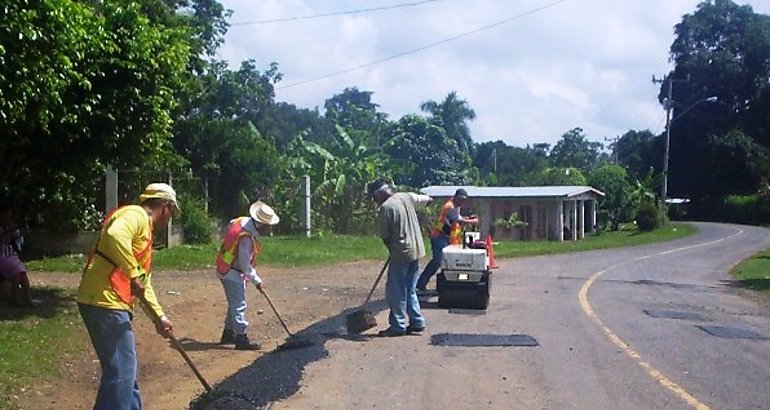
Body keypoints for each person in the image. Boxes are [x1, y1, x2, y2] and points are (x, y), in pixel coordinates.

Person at [77, 183, 180, 410]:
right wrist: (133, 273)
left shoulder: (145, 232)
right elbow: (115, 234)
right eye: (172, 212)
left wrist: (159, 317)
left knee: (126, 373)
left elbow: (144, 284)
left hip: (109, 301)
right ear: (165, 207)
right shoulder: (136, 215)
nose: (169, 219)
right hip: (104, 301)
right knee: (121, 373)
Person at [368, 178, 432, 337]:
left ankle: (398, 326)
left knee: (396, 291)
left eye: (373, 197)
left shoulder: (386, 208)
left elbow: (385, 237)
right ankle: (417, 322)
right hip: (417, 250)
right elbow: (429, 200)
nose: (374, 201)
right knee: (410, 289)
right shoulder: (406, 196)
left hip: (402, 252)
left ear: (379, 193)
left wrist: (393, 250)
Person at [215, 200, 280, 350]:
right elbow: (245, 265)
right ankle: (241, 338)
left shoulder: (240, 221)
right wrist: (257, 281)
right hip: (232, 271)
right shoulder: (246, 238)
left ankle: (228, 333)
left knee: (234, 302)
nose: (269, 229)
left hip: (225, 266)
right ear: (262, 224)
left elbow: (229, 231)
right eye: (268, 226)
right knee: (239, 305)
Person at [416, 188, 479, 296]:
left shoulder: (455, 206)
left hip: (445, 236)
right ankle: (419, 286)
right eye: (460, 199)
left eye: (463, 200)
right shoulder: (450, 206)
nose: (462, 202)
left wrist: (468, 218)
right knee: (437, 261)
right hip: (439, 236)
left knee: (446, 262)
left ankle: (437, 286)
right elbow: (459, 220)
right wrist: (472, 221)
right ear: (455, 197)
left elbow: (457, 218)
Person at [0, 203, 34, 308]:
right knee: (16, 273)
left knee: (23, 275)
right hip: (2, 256)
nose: (9, 217)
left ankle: (28, 299)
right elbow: (2, 240)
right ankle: (13, 299)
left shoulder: (9, 225)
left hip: (9, 254)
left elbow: (15, 237)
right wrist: (8, 233)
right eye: (7, 214)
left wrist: (16, 232)